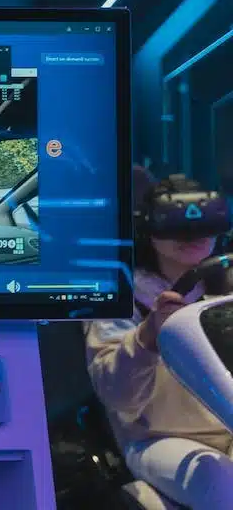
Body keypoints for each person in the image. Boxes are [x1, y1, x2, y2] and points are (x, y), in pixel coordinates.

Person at [85, 168, 233, 506]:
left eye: (202, 221)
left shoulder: (226, 290)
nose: (191, 233)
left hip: (227, 429)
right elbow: (119, 398)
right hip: (158, 438)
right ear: (148, 229)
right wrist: (149, 334)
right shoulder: (123, 298)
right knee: (220, 481)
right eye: (175, 223)